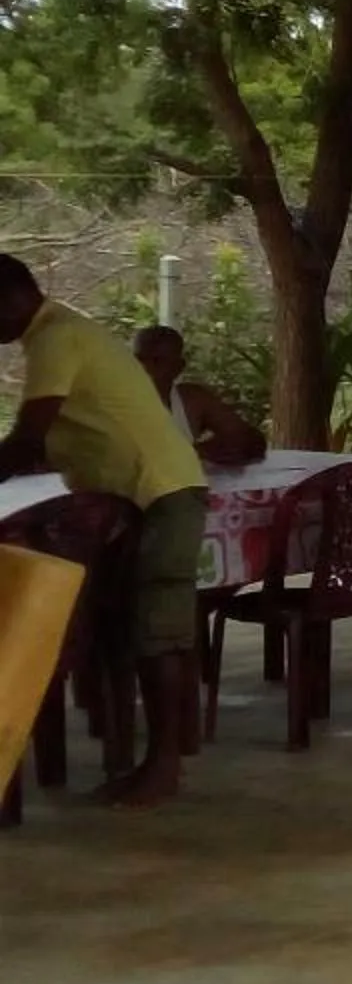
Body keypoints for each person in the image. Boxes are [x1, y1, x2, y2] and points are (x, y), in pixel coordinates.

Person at [0, 257, 207, 806]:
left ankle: (164, 769)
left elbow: (27, 439)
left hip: (160, 492)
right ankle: (146, 760)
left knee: (157, 631)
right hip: (142, 495)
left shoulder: (56, 337)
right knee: (135, 627)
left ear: (12, 297)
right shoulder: (62, 332)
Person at [131, 327, 267, 468]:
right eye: (139, 359)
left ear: (178, 367)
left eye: (157, 361)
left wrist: (203, 451)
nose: (145, 367)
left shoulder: (192, 400)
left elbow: (251, 439)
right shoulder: (112, 400)